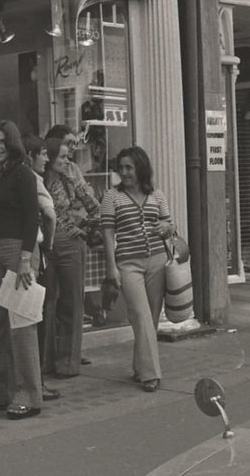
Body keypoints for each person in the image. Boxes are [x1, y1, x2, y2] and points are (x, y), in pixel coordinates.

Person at [101, 146, 174, 393]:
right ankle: (150, 375)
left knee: (151, 319)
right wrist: (111, 267)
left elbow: (168, 224)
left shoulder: (158, 195)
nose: (124, 173)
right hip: (128, 264)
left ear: (141, 167)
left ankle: (139, 366)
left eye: (129, 167)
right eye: (121, 168)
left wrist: (166, 227)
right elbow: (108, 234)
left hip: (157, 260)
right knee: (141, 316)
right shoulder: (112, 196)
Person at [0, 121, 43, 419]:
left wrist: (25, 258)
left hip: (19, 250)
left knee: (21, 324)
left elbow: (33, 218)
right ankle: (5, 390)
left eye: (2, 142)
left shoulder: (22, 173)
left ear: (13, 144)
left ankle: (29, 394)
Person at [43, 136, 100, 379]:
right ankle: (45, 361)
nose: (67, 161)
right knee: (46, 304)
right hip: (44, 246)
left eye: (69, 157)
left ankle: (68, 362)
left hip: (68, 244)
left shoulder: (70, 179)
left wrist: (84, 228)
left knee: (72, 303)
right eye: (63, 157)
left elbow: (94, 205)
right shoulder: (38, 179)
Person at [23, 133, 61, 402]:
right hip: (33, 251)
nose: (46, 159)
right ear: (31, 155)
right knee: (35, 315)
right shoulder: (33, 180)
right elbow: (50, 214)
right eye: (43, 153)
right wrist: (48, 243)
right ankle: (36, 380)